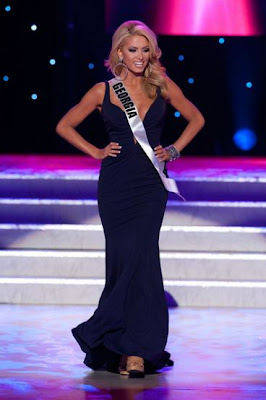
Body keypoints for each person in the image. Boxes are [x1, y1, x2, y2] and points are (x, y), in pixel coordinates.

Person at [56, 20, 205, 378]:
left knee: (143, 260)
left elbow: (196, 118)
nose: (139, 56)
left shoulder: (161, 85)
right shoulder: (102, 91)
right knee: (123, 261)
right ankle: (116, 342)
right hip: (116, 186)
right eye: (132, 49)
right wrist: (94, 151)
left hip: (151, 186)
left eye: (145, 49)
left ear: (152, 53)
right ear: (118, 52)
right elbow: (64, 125)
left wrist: (173, 149)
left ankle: (137, 350)